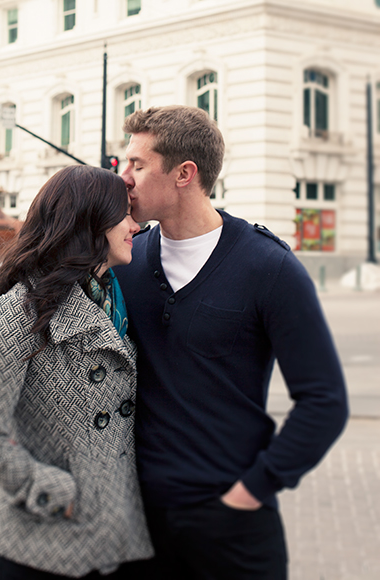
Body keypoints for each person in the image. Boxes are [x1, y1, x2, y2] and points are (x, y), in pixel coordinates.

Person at [113, 105, 349, 580]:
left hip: (230, 526)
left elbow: (324, 400)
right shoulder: (126, 259)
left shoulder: (269, 268)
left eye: (137, 165)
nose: (124, 178)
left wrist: (249, 493)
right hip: (133, 525)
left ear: (185, 173)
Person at [0, 164, 154, 580]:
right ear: (91, 222)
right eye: (123, 214)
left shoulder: (112, 301)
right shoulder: (19, 313)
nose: (135, 224)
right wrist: (60, 493)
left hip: (105, 541)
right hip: (30, 550)